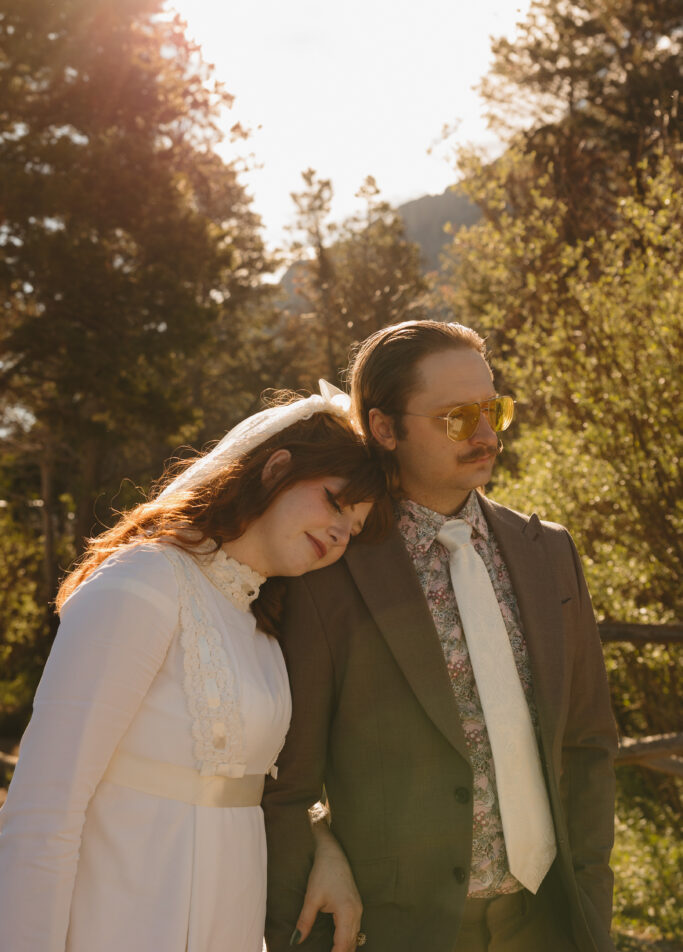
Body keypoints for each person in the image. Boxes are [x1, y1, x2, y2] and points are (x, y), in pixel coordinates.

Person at [264, 322, 618, 952]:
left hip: (551, 923)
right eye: (457, 418)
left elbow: (589, 742)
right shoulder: (329, 572)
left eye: (493, 410)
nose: (485, 435)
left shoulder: (551, 552)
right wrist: (317, 849)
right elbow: (285, 783)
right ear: (384, 428)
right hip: (394, 930)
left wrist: (590, 895)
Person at [0, 384, 389, 952]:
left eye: (353, 529)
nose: (339, 535)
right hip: (121, 918)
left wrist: (322, 845)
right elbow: (44, 805)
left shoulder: (260, 625)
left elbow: (249, 792)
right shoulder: (145, 581)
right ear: (276, 468)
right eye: (335, 502)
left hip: (227, 925)